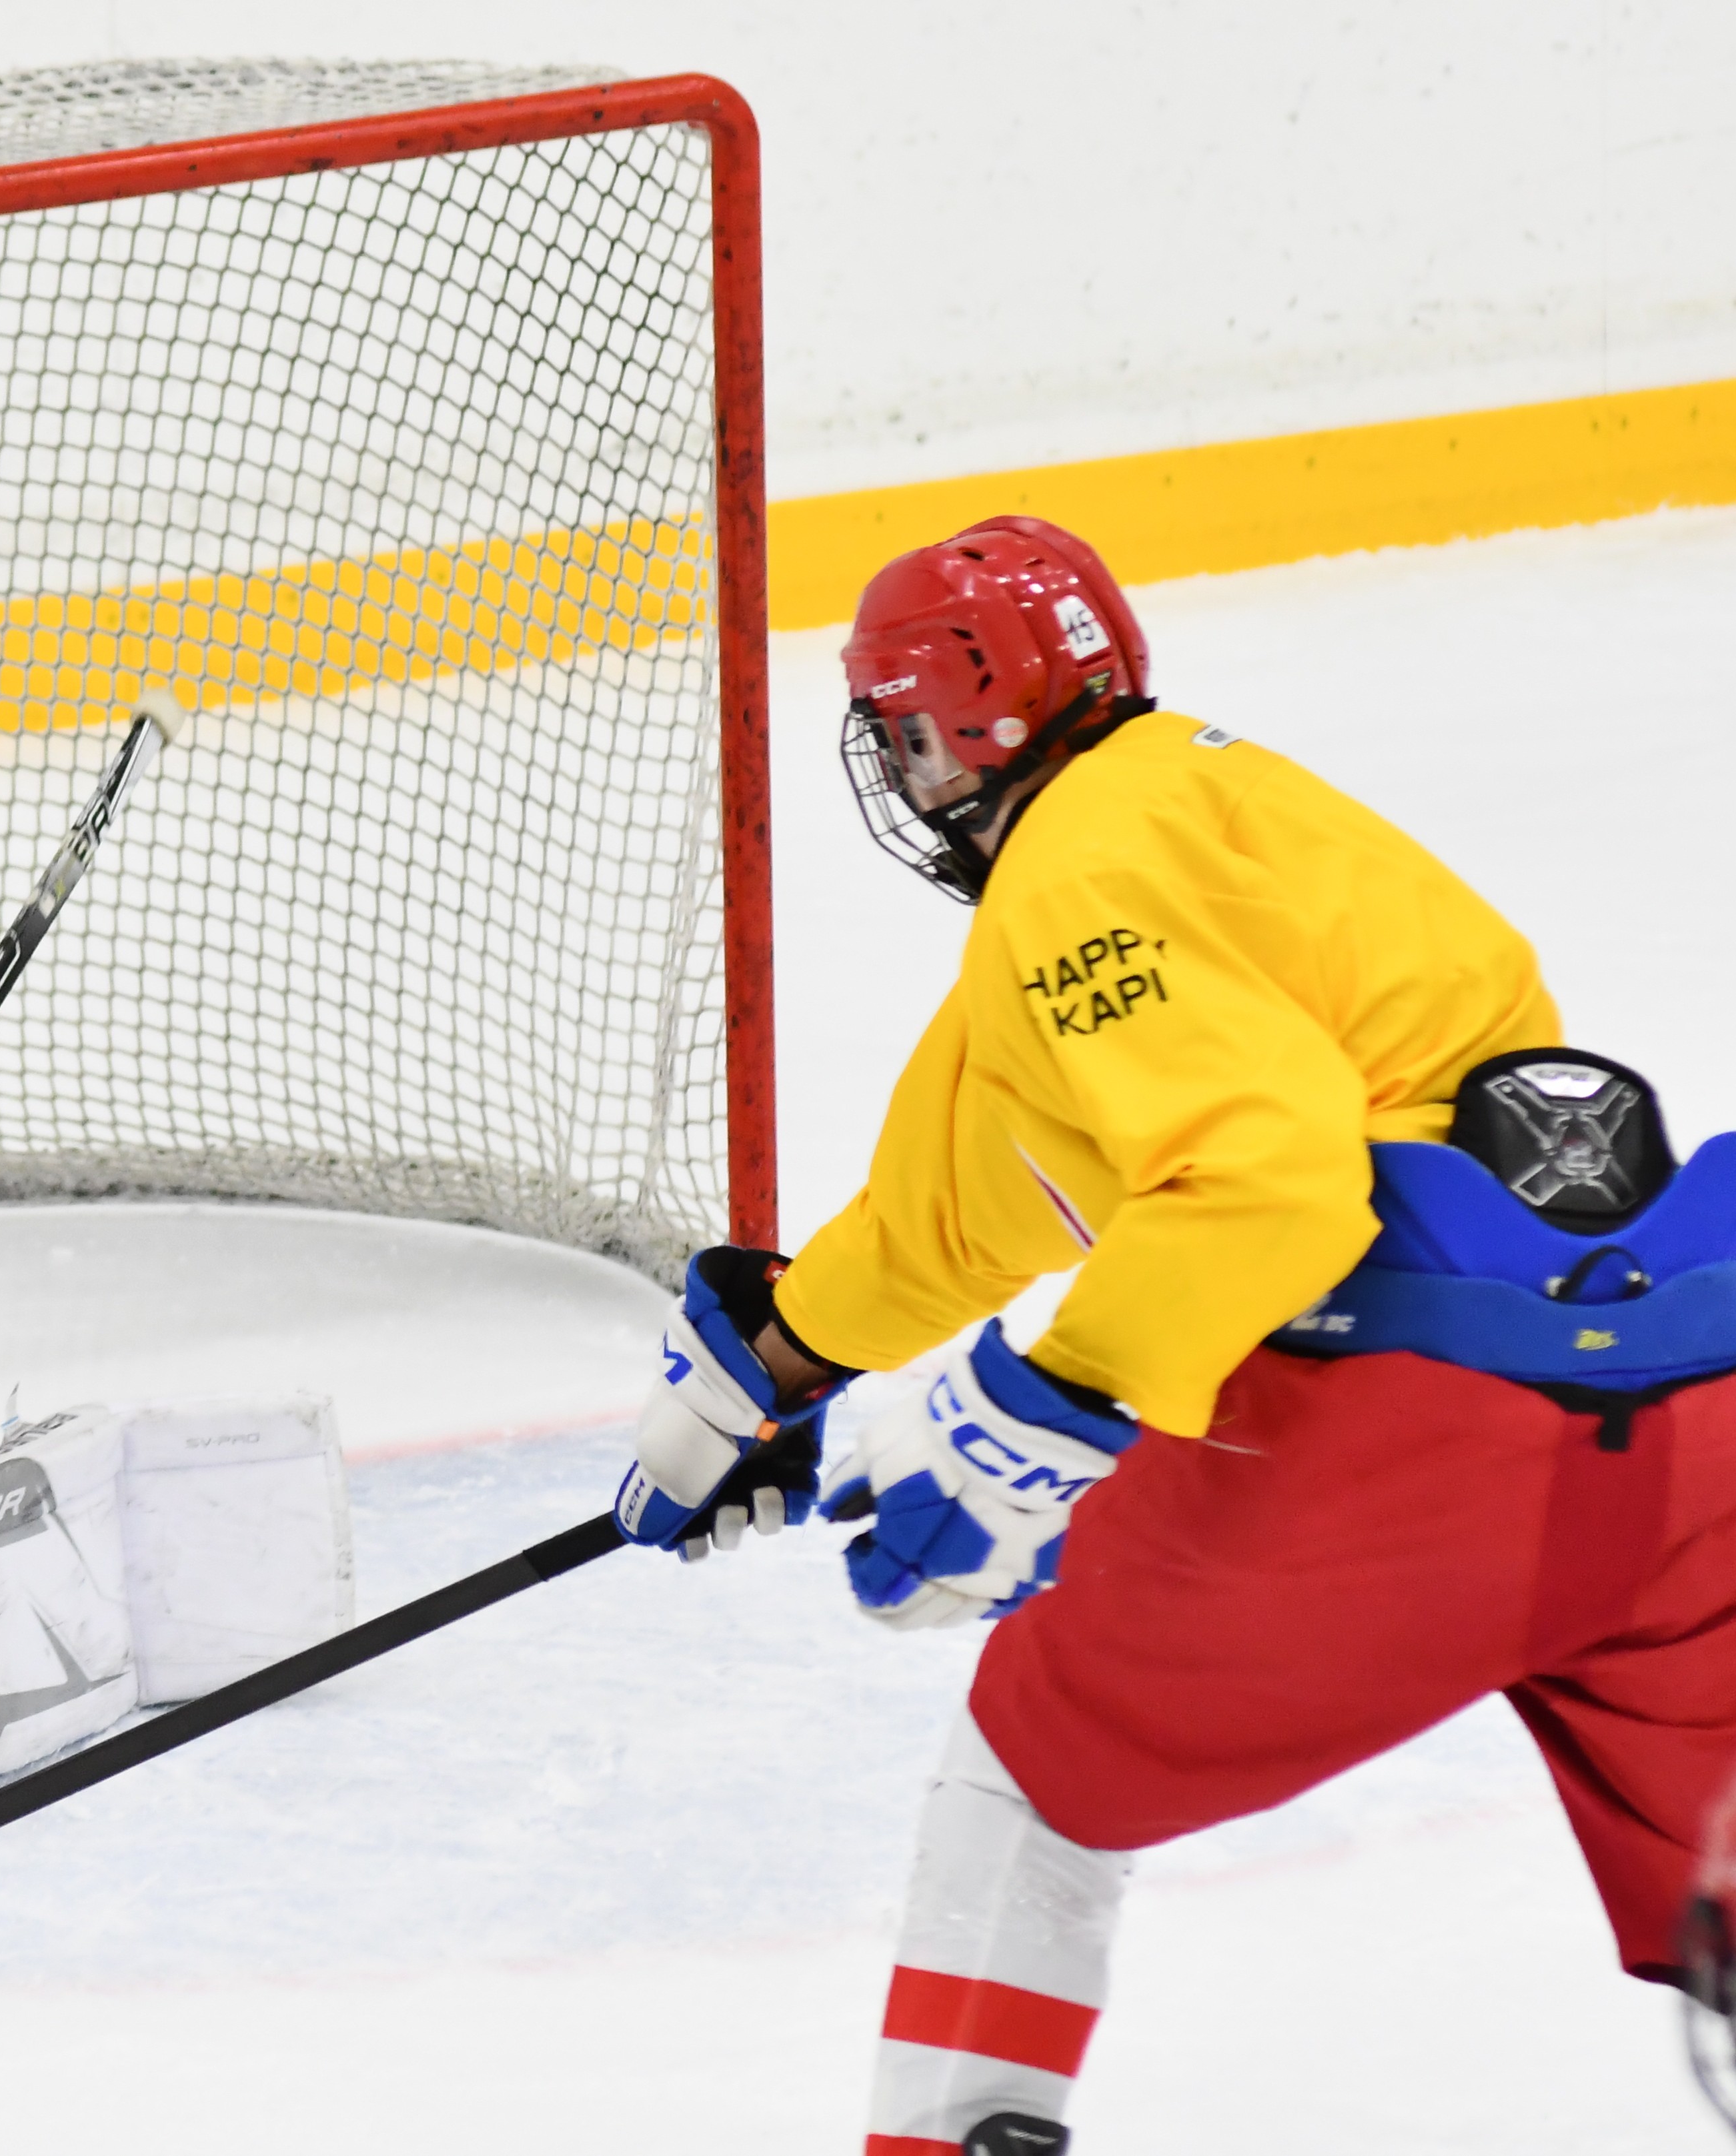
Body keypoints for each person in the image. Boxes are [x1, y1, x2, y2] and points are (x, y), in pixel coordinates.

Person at [609, 515, 1736, 2155]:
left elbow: (1268, 1180)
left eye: (909, 734)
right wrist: (782, 1359)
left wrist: (1043, 1409)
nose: (907, 771)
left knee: (1030, 1781)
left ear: (966, 724)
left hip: (1419, 1436)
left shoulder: (1074, 876)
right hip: (1694, 1427)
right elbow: (976, 1191)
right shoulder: (1221, 805)